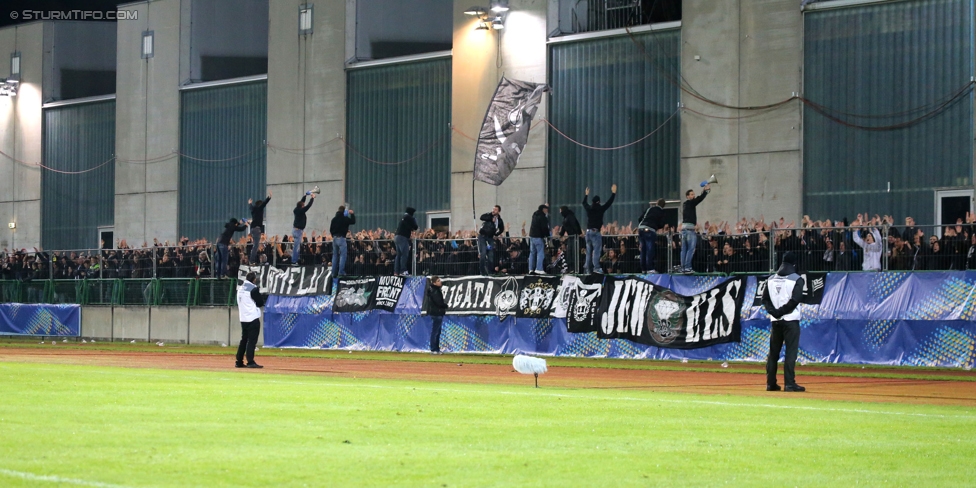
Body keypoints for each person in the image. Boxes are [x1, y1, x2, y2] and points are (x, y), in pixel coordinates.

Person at [761, 251, 805, 392]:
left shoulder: (771, 279)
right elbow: (795, 300)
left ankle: (770, 383)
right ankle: (790, 383)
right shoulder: (797, 279)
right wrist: (781, 311)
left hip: (775, 321)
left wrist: (774, 312)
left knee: (773, 353)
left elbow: (764, 300)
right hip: (790, 321)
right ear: (794, 264)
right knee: (790, 352)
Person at [581, 184, 617, 274]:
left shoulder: (589, 208)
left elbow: (584, 203)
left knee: (588, 251)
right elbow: (609, 203)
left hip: (588, 232)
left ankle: (587, 268)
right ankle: (596, 268)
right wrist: (613, 193)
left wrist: (586, 195)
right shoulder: (600, 209)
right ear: (599, 202)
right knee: (596, 251)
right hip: (595, 232)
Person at [236, 271, 267, 369]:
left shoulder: (240, 288)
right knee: (252, 341)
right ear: (254, 279)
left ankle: (239, 361)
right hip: (252, 317)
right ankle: (250, 361)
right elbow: (260, 302)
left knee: (244, 340)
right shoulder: (253, 289)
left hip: (243, 318)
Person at [680, 185, 710, 273]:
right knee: (691, 249)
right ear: (688, 196)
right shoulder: (690, 203)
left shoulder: (685, 204)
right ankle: (688, 267)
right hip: (690, 229)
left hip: (684, 229)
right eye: (692, 194)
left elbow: (697, 199)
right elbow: (699, 199)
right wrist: (705, 191)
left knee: (684, 249)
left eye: (693, 194)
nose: (693, 196)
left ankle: (683, 268)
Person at [637, 198, 666, 273]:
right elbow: (661, 224)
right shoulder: (661, 212)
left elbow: (640, 218)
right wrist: (656, 226)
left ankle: (643, 269)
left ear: (657, 203)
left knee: (643, 249)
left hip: (641, 228)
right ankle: (650, 268)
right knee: (650, 250)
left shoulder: (649, 209)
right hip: (650, 230)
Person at [329, 205, 356, 276]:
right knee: (342, 255)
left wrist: (333, 235)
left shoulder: (334, 219)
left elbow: (331, 229)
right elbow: (353, 221)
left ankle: (333, 272)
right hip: (341, 238)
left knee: (335, 256)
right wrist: (352, 214)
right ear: (344, 211)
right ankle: (341, 271)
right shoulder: (345, 219)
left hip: (334, 238)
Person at [478, 205, 504, 275]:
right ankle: (482, 271)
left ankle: (490, 271)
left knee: (491, 255)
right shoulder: (488, 215)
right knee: (483, 253)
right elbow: (481, 217)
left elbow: (502, 229)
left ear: (498, 211)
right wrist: (490, 218)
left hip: (490, 238)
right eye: (493, 209)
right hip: (482, 236)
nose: (493, 210)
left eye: (495, 209)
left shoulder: (499, 221)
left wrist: (496, 234)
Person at [248, 191, 272, 264]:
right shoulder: (259, 208)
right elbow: (264, 203)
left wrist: (250, 203)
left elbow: (251, 207)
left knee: (255, 245)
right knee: (256, 245)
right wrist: (269, 197)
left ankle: (252, 259)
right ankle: (251, 260)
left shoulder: (253, 209)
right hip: (257, 228)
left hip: (252, 228)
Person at [291, 192, 316, 264]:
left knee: (296, 246)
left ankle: (295, 259)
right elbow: (308, 205)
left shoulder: (296, 209)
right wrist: (312, 198)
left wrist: (305, 196)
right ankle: (294, 261)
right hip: (298, 230)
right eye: (303, 205)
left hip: (295, 230)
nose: (304, 205)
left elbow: (302, 203)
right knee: (296, 247)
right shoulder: (301, 211)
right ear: (302, 206)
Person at [426, 276, 448, 354]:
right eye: (438, 281)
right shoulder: (434, 291)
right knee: (435, 332)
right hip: (436, 313)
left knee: (437, 332)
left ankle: (436, 349)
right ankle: (433, 349)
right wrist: (445, 305)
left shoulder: (435, 290)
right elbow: (438, 302)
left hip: (437, 313)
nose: (440, 282)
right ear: (434, 282)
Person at [394, 207, 418, 276]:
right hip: (403, 237)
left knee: (398, 255)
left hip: (397, 236)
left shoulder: (403, 217)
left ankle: (396, 271)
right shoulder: (409, 218)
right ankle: (403, 270)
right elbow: (415, 227)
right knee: (404, 254)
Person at [558, 206, 582, 273]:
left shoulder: (570, 217)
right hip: (570, 237)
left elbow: (575, 225)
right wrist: (560, 234)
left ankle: (575, 268)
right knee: (569, 253)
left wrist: (579, 233)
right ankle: (570, 268)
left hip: (574, 237)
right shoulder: (566, 218)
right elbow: (564, 227)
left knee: (574, 253)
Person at [528, 204, 550, 275]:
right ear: (543, 209)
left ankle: (531, 269)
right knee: (540, 253)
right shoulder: (543, 217)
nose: (547, 211)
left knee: (532, 253)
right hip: (538, 237)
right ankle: (539, 268)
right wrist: (547, 235)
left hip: (532, 236)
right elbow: (544, 228)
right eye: (546, 209)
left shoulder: (535, 215)